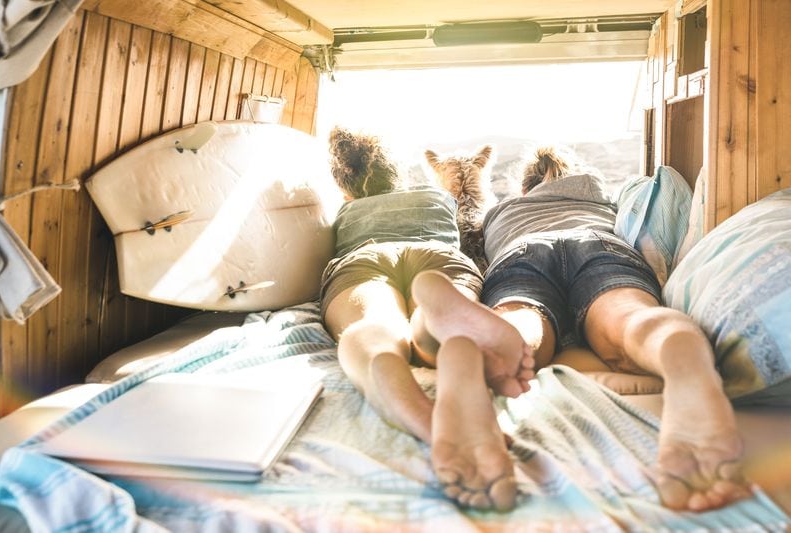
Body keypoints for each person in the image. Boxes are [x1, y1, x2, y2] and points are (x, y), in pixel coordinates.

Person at [416, 146, 751, 512]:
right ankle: (675, 345)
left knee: (523, 324)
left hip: (521, 251)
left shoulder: (504, 210)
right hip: (598, 242)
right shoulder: (600, 196)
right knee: (629, 318)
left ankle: (491, 344)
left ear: (525, 189)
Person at [320, 127, 536, 512]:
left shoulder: (348, 209)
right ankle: (445, 335)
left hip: (366, 257)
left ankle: (421, 415)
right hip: (438, 254)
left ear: (347, 189)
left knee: (374, 321)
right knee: (433, 323)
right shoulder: (435, 197)